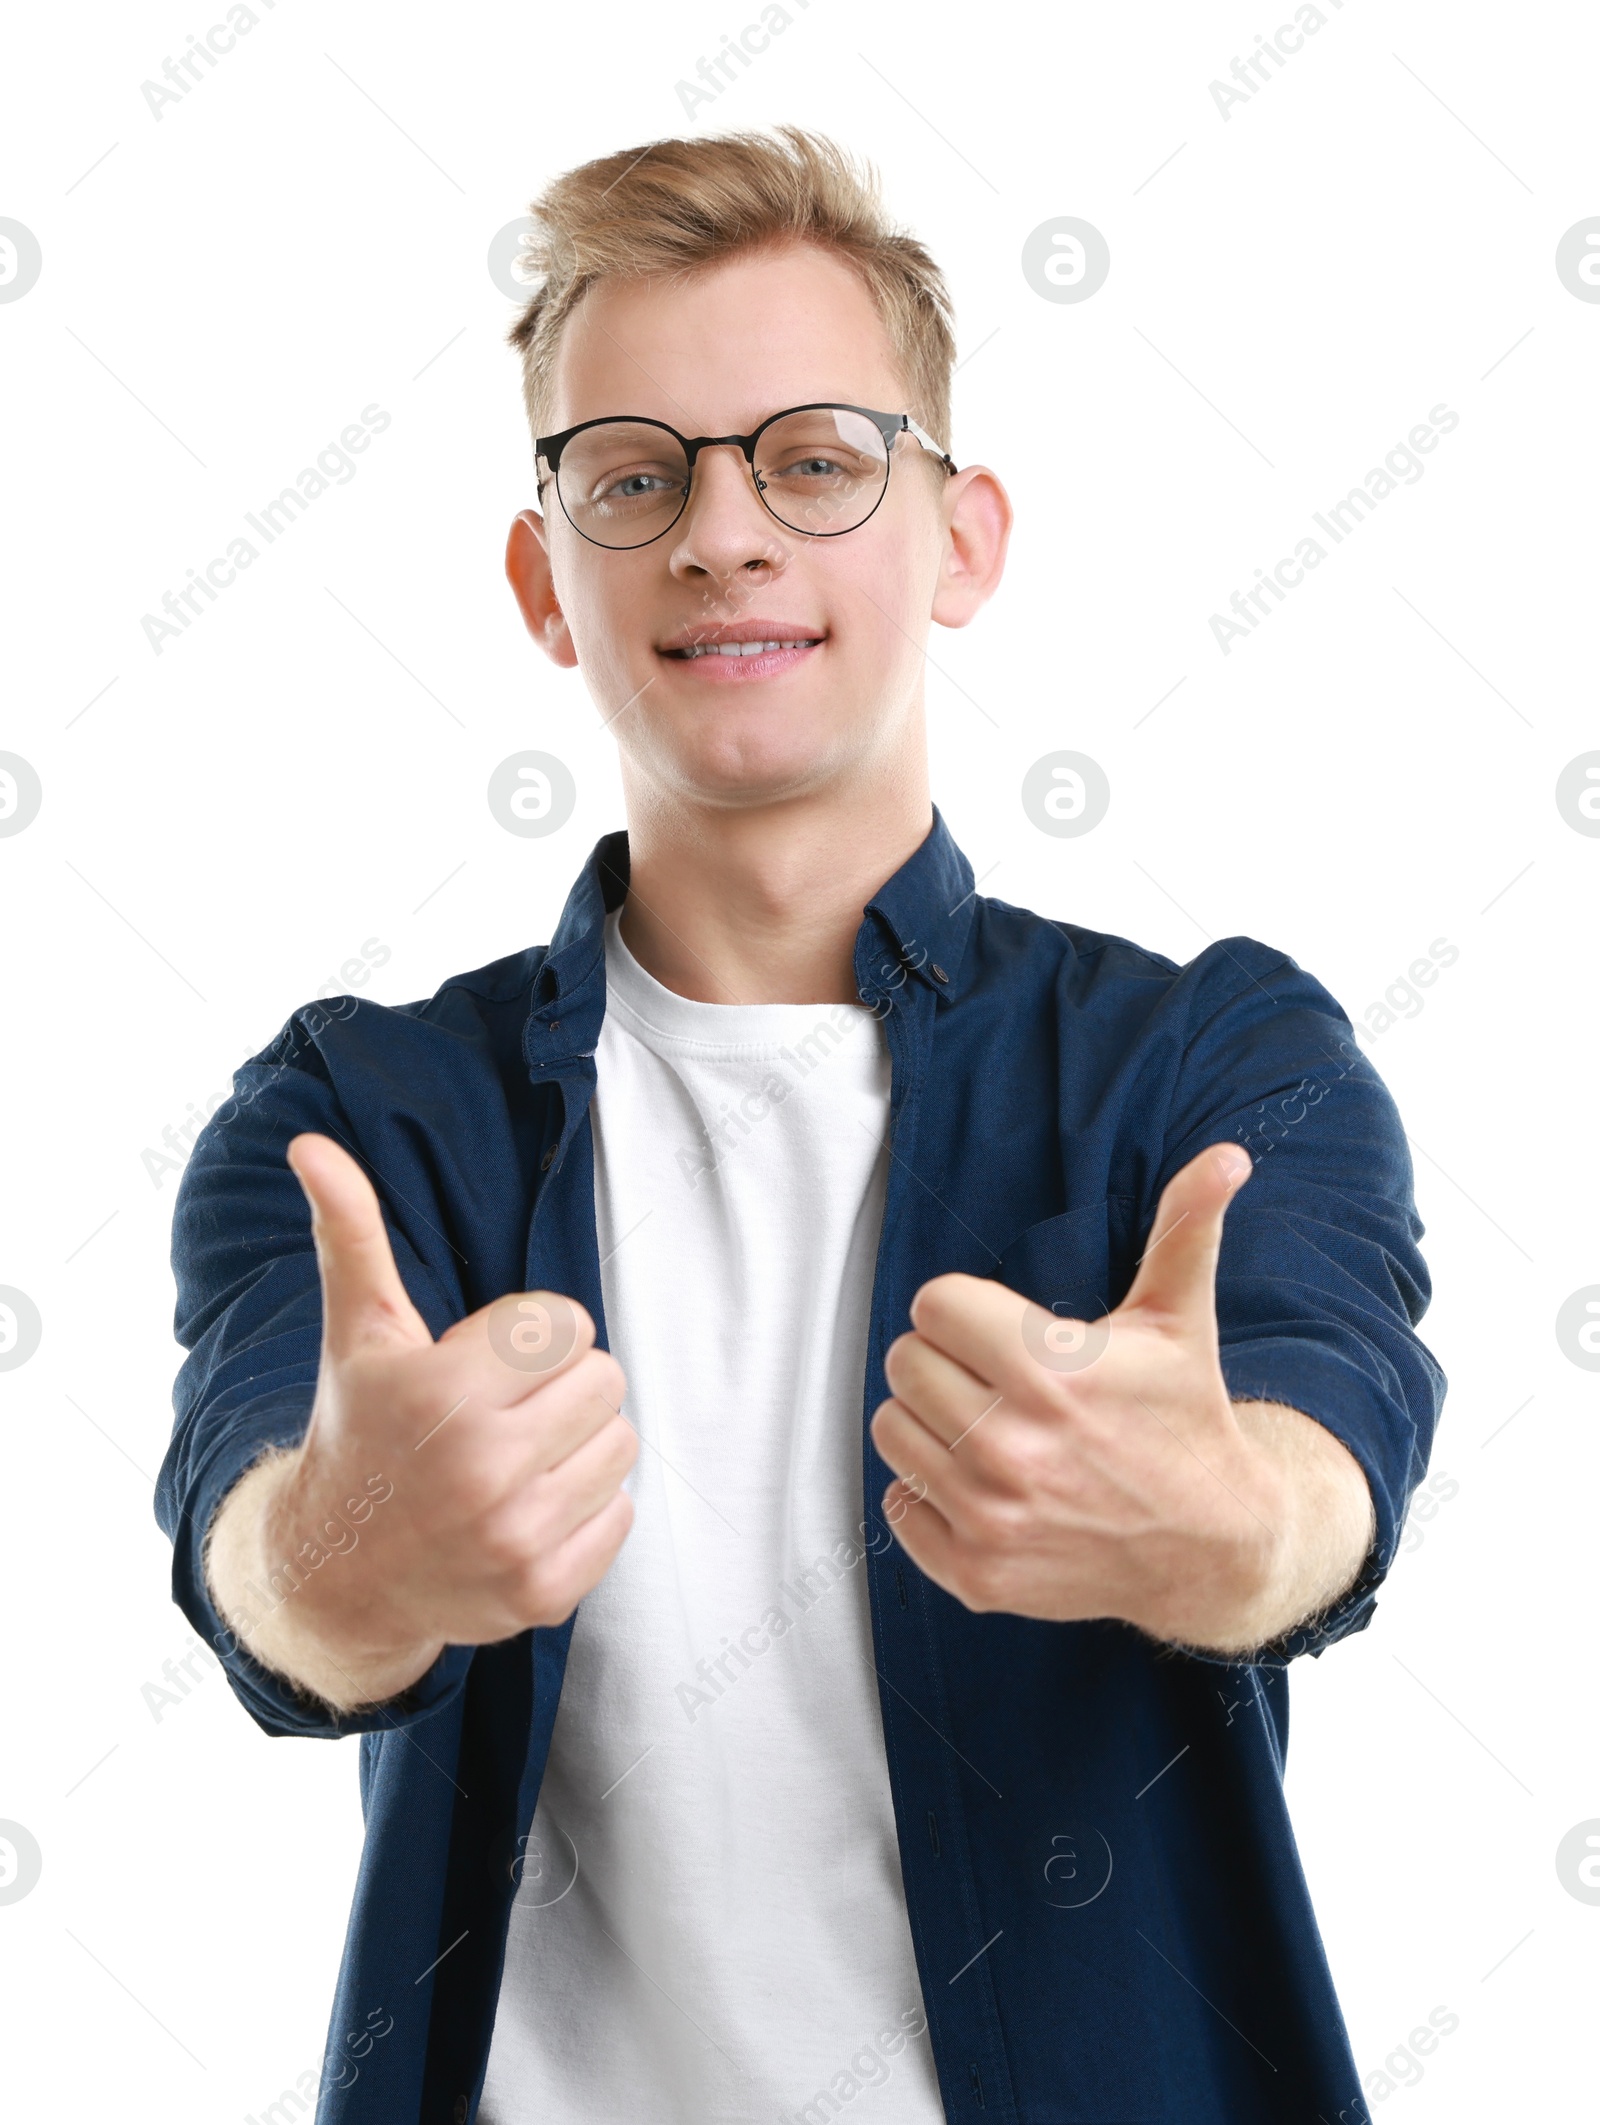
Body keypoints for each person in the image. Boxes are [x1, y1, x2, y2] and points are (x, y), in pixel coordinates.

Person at [156, 126, 1444, 2125]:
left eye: (815, 458)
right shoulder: (355, 1121)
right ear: (545, 578)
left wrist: (1219, 1516)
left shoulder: (1206, 1063)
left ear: (960, 538)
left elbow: (1322, 1458)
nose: (722, 535)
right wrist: (348, 1554)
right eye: (634, 474)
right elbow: (252, 1554)